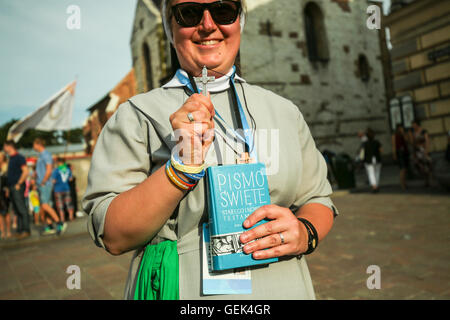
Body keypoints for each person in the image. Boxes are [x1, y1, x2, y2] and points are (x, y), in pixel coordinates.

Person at [83, 0, 338, 300]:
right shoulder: (137, 116)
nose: (207, 24)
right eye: (189, 13)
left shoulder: (284, 111)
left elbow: (318, 198)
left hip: (284, 287)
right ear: (170, 26)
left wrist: (305, 233)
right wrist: (179, 169)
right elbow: (113, 235)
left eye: (223, 11)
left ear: (239, 20)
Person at [32, 138, 66, 235]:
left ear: (38, 144)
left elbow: (49, 169)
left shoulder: (46, 154)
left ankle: (60, 223)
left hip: (45, 184)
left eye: (34, 144)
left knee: (44, 205)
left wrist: (43, 181)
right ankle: (49, 225)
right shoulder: (41, 155)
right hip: (41, 183)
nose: (33, 147)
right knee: (45, 205)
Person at [3, 140, 30, 239]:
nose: (4, 148)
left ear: (9, 146)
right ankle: (19, 230)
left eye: (4, 146)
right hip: (12, 187)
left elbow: (25, 171)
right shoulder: (11, 158)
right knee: (16, 209)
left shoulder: (19, 157)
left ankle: (26, 230)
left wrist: (19, 183)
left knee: (21, 208)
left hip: (17, 186)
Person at [409, 120, 432, 187]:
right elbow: (412, 142)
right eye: (412, 125)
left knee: (426, 165)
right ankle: (425, 179)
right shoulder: (413, 132)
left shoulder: (424, 131)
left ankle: (428, 180)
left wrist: (426, 151)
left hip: (423, 150)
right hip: (417, 151)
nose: (413, 126)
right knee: (419, 166)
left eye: (414, 124)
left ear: (417, 125)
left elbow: (427, 141)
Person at [52, 158, 75, 222]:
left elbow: (53, 181)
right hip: (66, 188)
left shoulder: (56, 170)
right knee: (68, 203)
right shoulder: (68, 169)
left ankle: (62, 219)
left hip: (58, 190)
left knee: (60, 205)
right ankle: (71, 217)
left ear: (58, 162)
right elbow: (71, 179)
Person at [362, 128, 382, 193]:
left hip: (368, 160)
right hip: (377, 159)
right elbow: (381, 151)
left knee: (371, 173)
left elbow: (362, 153)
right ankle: (376, 185)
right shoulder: (377, 142)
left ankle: (374, 186)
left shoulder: (364, 143)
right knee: (377, 173)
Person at [391, 124, 410, 190]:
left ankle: (404, 183)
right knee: (402, 169)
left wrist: (403, 133)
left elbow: (407, 140)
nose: (401, 129)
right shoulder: (394, 135)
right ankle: (402, 184)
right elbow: (393, 145)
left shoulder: (404, 134)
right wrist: (394, 154)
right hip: (400, 153)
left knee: (405, 169)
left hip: (405, 152)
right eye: (400, 128)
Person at [0, 151, 12, 239]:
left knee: (6, 212)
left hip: (4, 192)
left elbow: (8, 180)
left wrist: (8, 189)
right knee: (0, 214)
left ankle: (8, 231)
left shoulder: (6, 168)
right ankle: (2, 231)